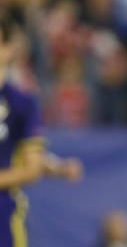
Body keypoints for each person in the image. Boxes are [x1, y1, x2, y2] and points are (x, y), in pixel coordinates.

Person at [0, 15, 84, 247]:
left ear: (8, 49)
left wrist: (56, 167)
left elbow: (31, 167)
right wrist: (57, 168)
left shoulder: (20, 103)